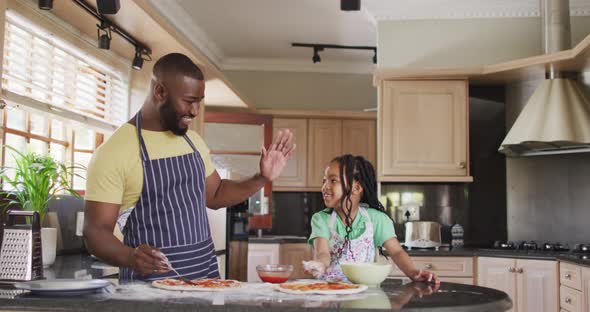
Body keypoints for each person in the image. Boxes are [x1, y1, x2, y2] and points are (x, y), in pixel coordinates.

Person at [83, 53, 294, 281]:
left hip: (205, 281)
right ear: (160, 92)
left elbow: (215, 194)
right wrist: (130, 257)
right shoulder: (114, 152)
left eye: (198, 102)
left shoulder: (192, 141)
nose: (194, 111)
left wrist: (261, 178)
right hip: (150, 291)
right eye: (189, 101)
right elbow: (95, 232)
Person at [304, 154, 439, 284]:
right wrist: (320, 264)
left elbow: (397, 252)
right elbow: (322, 252)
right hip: (330, 292)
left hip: (365, 293)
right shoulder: (321, 219)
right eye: (324, 181)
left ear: (356, 188)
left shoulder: (376, 219)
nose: (325, 187)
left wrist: (413, 273)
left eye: (333, 180)